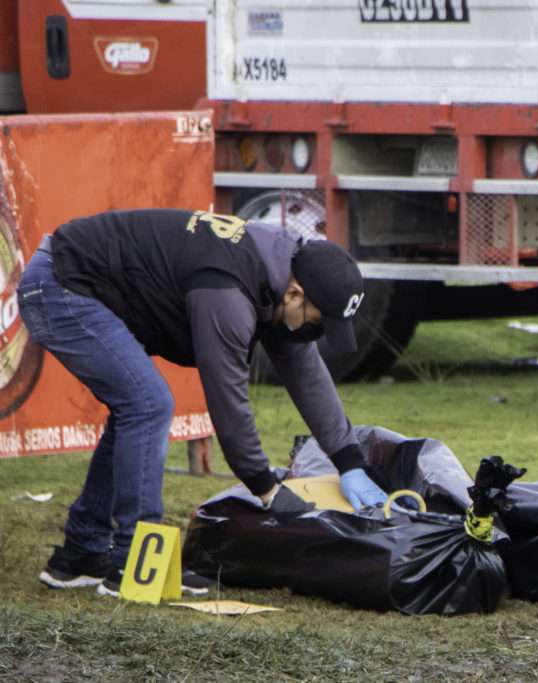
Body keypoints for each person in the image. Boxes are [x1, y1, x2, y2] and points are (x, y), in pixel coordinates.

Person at [18, 209, 388, 598]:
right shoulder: (227, 291)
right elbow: (228, 400)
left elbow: (307, 375)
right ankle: (135, 561)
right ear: (295, 294)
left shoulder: (279, 275)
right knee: (147, 405)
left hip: (76, 277)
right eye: (319, 321)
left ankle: (80, 554)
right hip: (60, 284)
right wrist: (266, 489)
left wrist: (349, 459)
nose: (318, 333)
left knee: (136, 409)